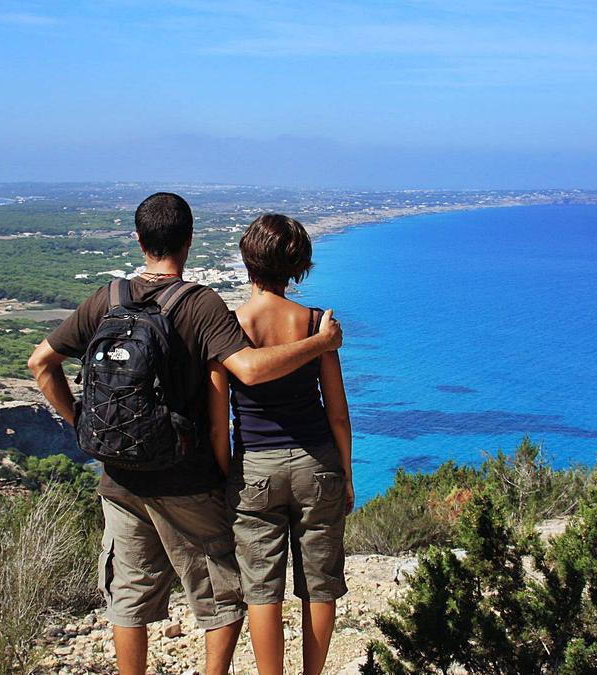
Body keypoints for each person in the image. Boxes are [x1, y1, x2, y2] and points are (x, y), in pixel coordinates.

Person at [27, 193, 343, 675]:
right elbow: (266, 384)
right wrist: (320, 343)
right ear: (190, 240)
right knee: (225, 591)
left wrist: (81, 424)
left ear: (139, 239)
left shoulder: (106, 298)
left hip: (122, 477)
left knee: (130, 596)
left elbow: (40, 363)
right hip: (192, 479)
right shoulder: (203, 306)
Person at [208, 213, 353, 675]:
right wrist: (345, 474)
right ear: (297, 266)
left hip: (254, 470)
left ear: (248, 260)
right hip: (317, 464)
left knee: (260, 588)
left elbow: (217, 421)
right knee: (320, 583)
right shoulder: (317, 324)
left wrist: (225, 477)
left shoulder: (229, 327)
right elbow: (338, 413)